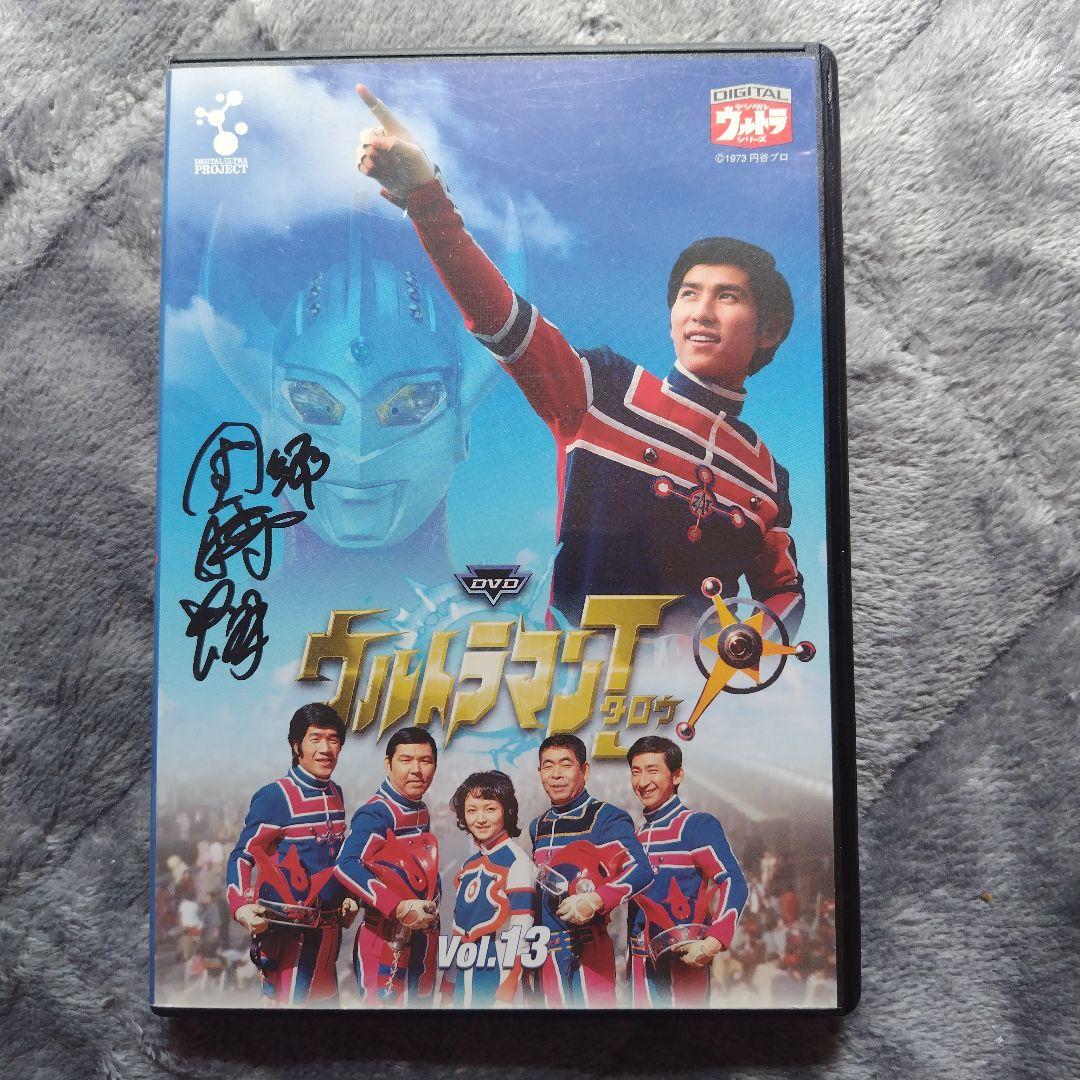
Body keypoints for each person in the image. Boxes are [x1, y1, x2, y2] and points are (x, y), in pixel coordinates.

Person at [352, 85, 804, 634]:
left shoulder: (767, 474)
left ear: (770, 329)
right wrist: (427, 200)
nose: (701, 312)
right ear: (671, 316)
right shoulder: (602, 390)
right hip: (574, 679)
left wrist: (744, 649)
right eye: (688, 294)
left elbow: (784, 591)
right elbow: (498, 314)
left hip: (692, 689)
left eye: (727, 297)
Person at [225, 703, 355, 1006]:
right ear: (297, 746)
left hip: (330, 938)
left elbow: (333, 857)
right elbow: (242, 856)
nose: (326, 749)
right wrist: (241, 906)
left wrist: (348, 895)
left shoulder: (335, 792)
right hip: (289, 940)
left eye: (333, 740)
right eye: (315, 738)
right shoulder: (276, 796)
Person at [529, 734, 653, 1007]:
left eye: (566, 764)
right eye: (548, 766)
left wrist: (595, 900)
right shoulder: (538, 826)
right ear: (540, 773)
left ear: (584, 770)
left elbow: (641, 870)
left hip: (588, 948)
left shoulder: (606, 817)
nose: (556, 774)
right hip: (544, 953)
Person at [321, 727, 441, 1006]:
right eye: (406, 760)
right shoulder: (377, 812)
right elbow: (346, 864)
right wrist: (398, 907)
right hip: (386, 941)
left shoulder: (419, 808)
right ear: (388, 764)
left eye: (425, 761)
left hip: (421, 940)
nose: (416, 770)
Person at [625, 735, 747, 1007]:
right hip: (639, 967)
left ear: (677, 775)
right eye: (636, 772)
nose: (642, 782)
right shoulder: (637, 835)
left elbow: (733, 881)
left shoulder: (696, 826)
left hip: (682, 967)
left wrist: (713, 942)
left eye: (652, 770)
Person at [442, 770, 535, 1007]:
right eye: (472, 810)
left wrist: (506, 993)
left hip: (497, 985)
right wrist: (448, 986)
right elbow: (459, 932)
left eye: (490, 808)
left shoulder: (518, 862)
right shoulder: (468, 865)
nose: (480, 819)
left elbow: (521, 932)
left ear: (507, 810)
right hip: (463, 985)